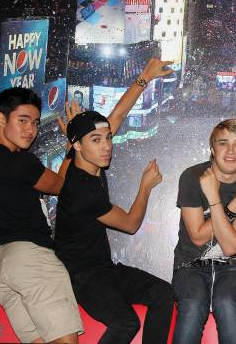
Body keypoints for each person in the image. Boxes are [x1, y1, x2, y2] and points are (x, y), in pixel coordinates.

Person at [54, 58, 175, 344]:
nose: (107, 146)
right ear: (78, 146)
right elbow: (131, 224)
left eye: (107, 138)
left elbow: (117, 115)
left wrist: (145, 76)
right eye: (96, 140)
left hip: (104, 270)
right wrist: (145, 187)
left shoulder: (78, 161)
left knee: (163, 294)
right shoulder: (84, 191)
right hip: (81, 278)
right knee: (126, 323)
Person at [0, 87, 83, 344]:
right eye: (22, 121)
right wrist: (70, 147)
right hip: (30, 260)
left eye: (34, 123)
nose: (30, 130)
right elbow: (61, 186)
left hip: (0, 269)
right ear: (2, 119)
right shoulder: (21, 162)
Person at [172, 119, 236, 344]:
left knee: (226, 302)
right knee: (193, 304)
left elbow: (232, 246)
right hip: (190, 263)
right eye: (223, 143)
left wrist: (214, 199)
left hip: (232, 265)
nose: (230, 151)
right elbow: (197, 236)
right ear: (213, 149)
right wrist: (235, 204)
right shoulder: (192, 177)